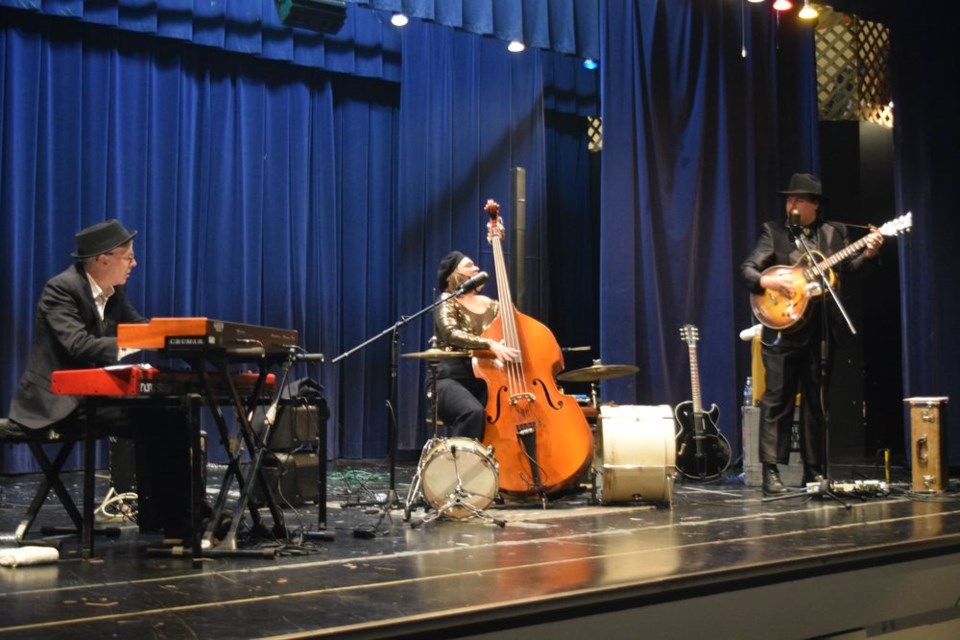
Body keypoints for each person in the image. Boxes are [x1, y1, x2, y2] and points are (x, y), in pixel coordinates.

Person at [7, 219, 193, 536]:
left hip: (93, 399)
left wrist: (188, 341)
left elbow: (142, 330)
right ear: (102, 259)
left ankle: (178, 519)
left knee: (171, 412)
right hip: (57, 404)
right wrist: (140, 340)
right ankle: (179, 521)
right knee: (157, 418)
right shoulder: (61, 290)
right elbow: (79, 346)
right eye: (128, 256)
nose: (134, 263)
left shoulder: (115, 294)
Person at [739, 173, 883, 495]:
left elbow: (852, 269)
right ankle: (771, 474)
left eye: (797, 199)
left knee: (817, 404)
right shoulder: (773, 232)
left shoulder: (834, 234)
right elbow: (748, 269)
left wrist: (870, 254)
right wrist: (770, 282)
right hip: (783, 332)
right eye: (788, 198)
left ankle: (814, 472)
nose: (790, 203)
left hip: (820, 330)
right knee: (777, 402)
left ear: (814, 205)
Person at [431, 251, 519, 441]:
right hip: (450, 378)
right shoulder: (447, 301)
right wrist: (490, 344)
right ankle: (459, 466)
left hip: (489, 378)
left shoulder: (494, 305)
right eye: (469, 265)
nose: (477, 268)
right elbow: (450, 333)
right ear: (453, 274)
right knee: (473, 412)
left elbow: (519, 329)